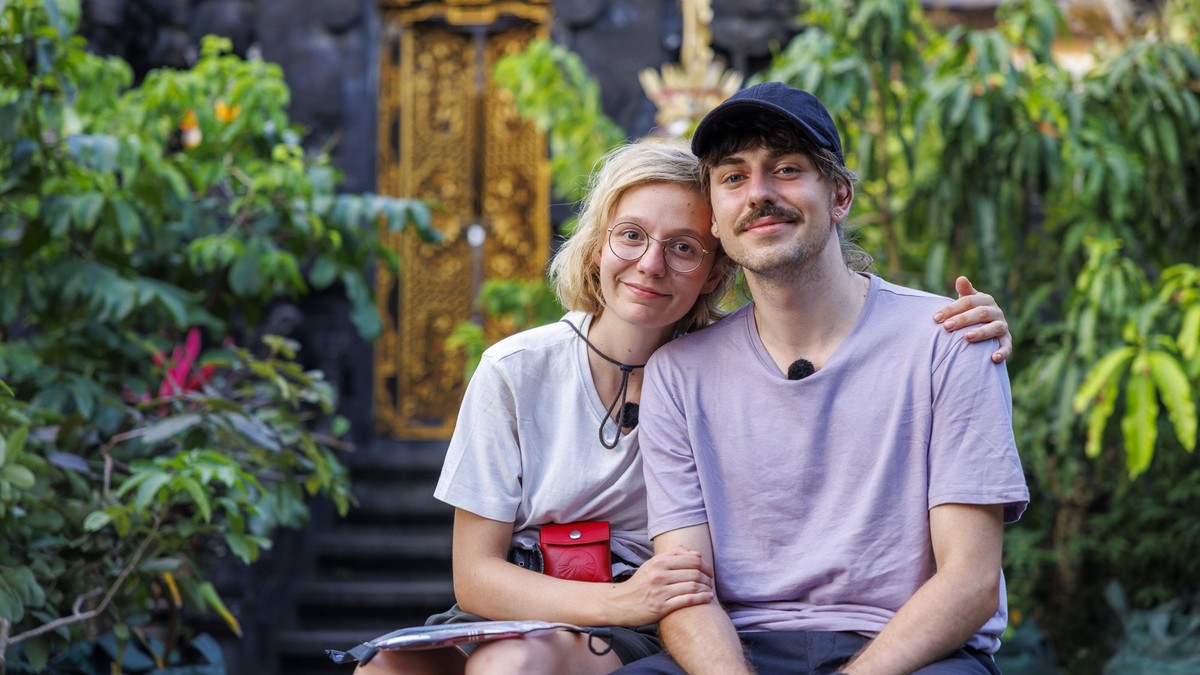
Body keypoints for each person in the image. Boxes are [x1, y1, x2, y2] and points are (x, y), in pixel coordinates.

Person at [353, 136, 1013, 675]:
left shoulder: (708, 368)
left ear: (715, 268)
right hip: (553, 592)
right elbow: (474, 575)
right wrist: (622, 601)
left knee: (514, 666)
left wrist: (958, 331)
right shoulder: (518, 369)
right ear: (597, 243)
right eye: (630, 235)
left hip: (648, 607)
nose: (650, 265)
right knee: (386, 670)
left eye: (684, 247)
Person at [617, 82, 1031, 675]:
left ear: (838, 195)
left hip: (910, 653)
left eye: (786, 169)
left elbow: (970, 580)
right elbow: (685, 590)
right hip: (739, 651)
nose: (759, 194)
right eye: (733, 177)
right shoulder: (680, 375)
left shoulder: (948, 340)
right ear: (715, 220)